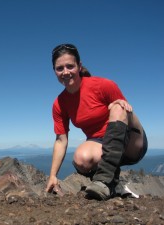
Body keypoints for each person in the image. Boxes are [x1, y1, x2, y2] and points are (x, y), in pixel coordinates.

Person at [45, 43, 148, 200]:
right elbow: (61, 140)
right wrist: (53, 175)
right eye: (60, 68)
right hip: (102, 145)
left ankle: (104, 181)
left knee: (119, 107)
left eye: (70, 66)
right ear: (54, 71)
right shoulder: (59, 104)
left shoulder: (103, 85)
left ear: (79, 66)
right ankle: (114, 184)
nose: (65, 72)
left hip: (131, 140)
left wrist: (119, 106)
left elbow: (126, 114)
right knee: (80, 158)